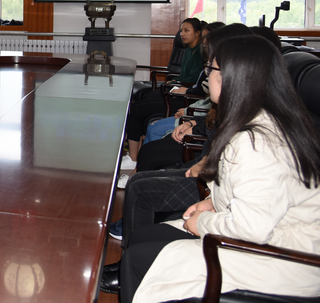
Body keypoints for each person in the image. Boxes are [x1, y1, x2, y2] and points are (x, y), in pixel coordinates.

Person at [119, 35, 320, 303]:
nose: (207, 75)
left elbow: (252, 228)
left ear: (229, 77)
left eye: (210, 69)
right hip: (267, 235)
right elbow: (262, 196)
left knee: (137, 259)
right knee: (143, 237)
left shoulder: (257, 143)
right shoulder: (263, 117)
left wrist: (202, 222)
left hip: (282, 259)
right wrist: (212, 203)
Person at [124, 17, 205, 163]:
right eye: (181, 31)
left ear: (198, 33)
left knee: (134, 110)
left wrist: (180, 86)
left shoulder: (200, 52)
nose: (182, 34)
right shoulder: (188, 50)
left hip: (184, 98)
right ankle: (135, 153)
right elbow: (184, 75)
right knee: (141, 102)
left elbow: (194, 81)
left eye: (186, 30)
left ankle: (134, 156)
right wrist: (175, 81)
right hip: (177, 90)